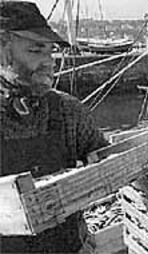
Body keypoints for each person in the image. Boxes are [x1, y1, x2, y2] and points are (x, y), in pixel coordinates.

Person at [0, 1, 109, 253]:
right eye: (36, 51)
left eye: (50, 52)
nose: (49, 62)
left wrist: (99, 167)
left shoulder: (67, 110)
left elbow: (105, 159)